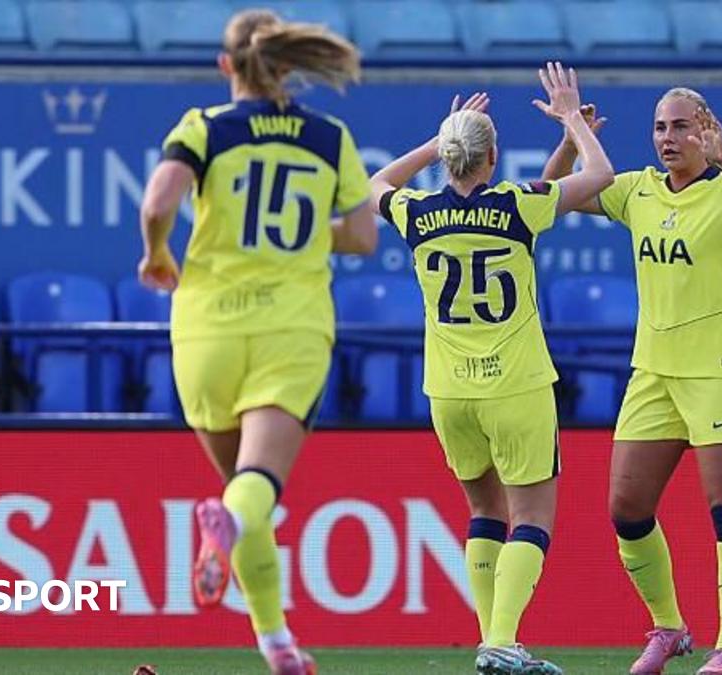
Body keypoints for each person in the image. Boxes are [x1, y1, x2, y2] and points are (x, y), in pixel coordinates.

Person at [136, 9, 377, 675]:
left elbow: (158, 203)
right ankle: (233, 545)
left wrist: (157, 254)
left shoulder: (203, 128)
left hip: (206, 328)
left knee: (245, 492)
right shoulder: (328, 136)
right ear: (290, 68)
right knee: (252, 488)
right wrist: (304, 237)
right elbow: (360, 236)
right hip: (289, 328)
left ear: (226, 67)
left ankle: (278, 648)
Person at [542, 87, 722, 675]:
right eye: (660, 127)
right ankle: (669, 628)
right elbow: (551, 197)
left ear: (705, 130)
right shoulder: (637, 190)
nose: (667, 139)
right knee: (626, 509)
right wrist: (568, 137)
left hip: (720, 370)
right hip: (654, 371)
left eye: (680, 127)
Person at [369, 63, 615, 675]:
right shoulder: (517, 207)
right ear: (493, 157)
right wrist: (570, 122)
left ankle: (494, 642)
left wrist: (435, 140)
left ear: (448, 159)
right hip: (517, 384)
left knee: (484, 513)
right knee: (531, 518)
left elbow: (375, 182)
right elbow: (602, 175)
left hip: (449, 393)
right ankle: (501, 640)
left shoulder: (418, 214)